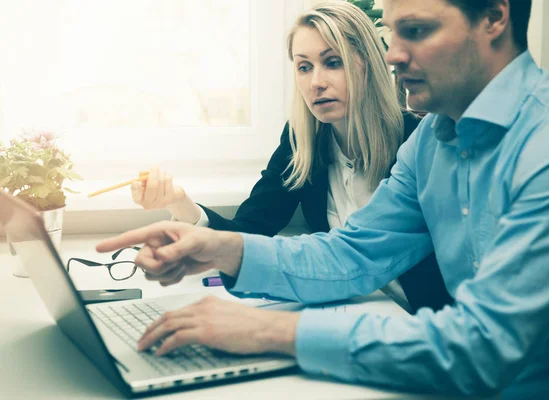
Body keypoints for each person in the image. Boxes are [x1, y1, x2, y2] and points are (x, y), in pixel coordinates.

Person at [97, 0, 549, 398]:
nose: (392, 54)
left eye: (416, 31)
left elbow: (483, 347)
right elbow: (351, 253)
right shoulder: (430, 142)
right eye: (392, 33)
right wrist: (218, 248)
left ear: (494, 16)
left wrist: (270, 332)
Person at [130, 2, 452, 313]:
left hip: (417, 322)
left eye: (333, 62)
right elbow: (249, 230)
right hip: (347, 310)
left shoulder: (419, 142)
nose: (316, 82)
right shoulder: (303, 142)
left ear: (366, 64)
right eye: (304, 67)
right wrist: (180, 203)